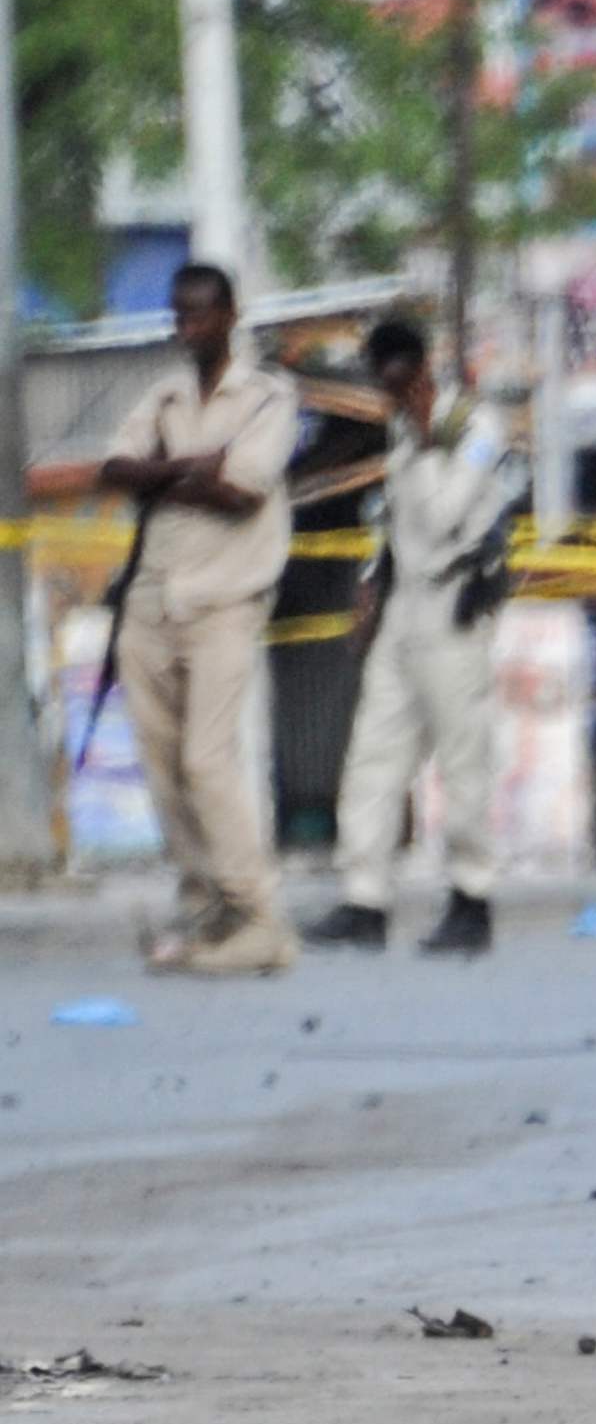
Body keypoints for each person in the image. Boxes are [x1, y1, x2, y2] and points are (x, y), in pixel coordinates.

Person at [92, 263, 303, 976]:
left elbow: (242, 491)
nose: (188, 328)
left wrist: (164, 472)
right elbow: (115, 470)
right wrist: (189, 468)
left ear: (230, 315)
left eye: (200, 315)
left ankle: (259, 915)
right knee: (161, 768)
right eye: (179, 315)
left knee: (208, 761)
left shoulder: (267, 396)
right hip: (151, 602)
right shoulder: (164, 394)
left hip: (224, 602)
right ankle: (206, 909)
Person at [302, 320, 525, 958]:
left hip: (455, 607)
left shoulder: (477, 431)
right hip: (404, 611)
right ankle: (364, 899)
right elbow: (398, 522)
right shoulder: (404, 428)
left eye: (402, 384)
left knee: (462, 761)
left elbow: (446, 512)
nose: (395, 397)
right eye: (386, 387)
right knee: (374, 754)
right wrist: (373, 588)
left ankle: (470, 899)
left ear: (422, 372)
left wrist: (429, 438)